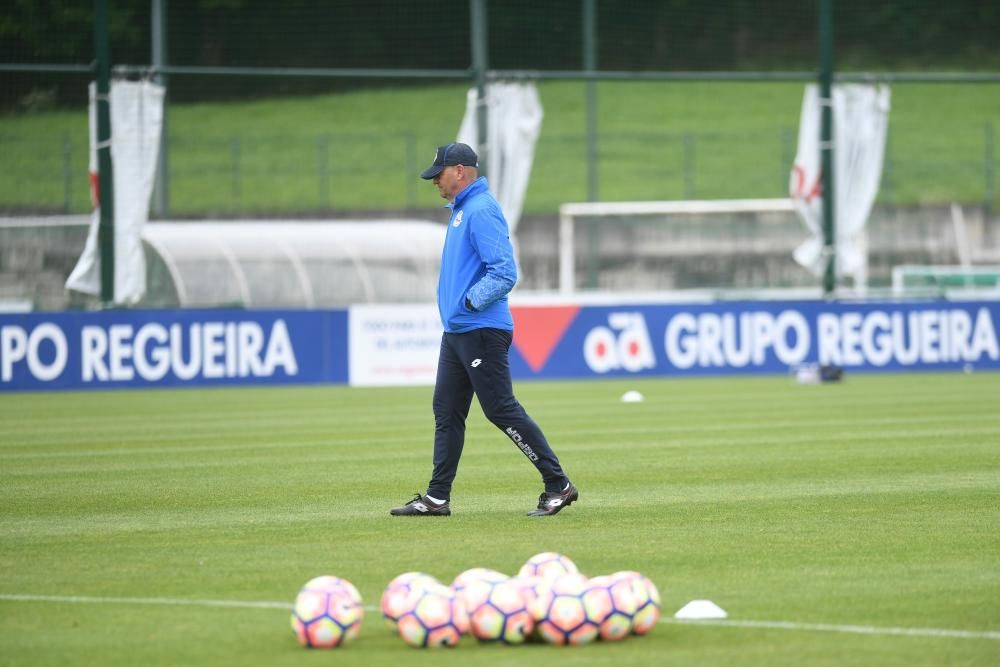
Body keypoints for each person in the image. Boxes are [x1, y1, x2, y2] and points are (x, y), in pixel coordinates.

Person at [390, 142, 577, 518]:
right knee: (446, 411)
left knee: (501, 410)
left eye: (438, 174)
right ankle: (437, 497)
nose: (434, 182)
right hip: (459, 331)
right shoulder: (463, 211)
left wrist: (471, 303)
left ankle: (558, 484)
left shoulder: (481, 210)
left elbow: (505, 271)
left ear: (459, 171)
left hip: (480, 328)